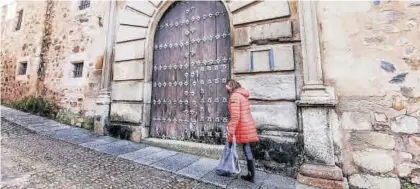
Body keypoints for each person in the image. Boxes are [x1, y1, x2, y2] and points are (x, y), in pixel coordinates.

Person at [225, 79, 259, 183]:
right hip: (247, 124)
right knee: (246, 147)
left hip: (242, 126)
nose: (226, 87)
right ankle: (251, 175)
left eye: (227, 85)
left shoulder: (235, 96)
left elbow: (235, 116)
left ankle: (227, 169)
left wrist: (230, 129)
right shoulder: (242, 95)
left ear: (232, 85)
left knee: (233, 147)